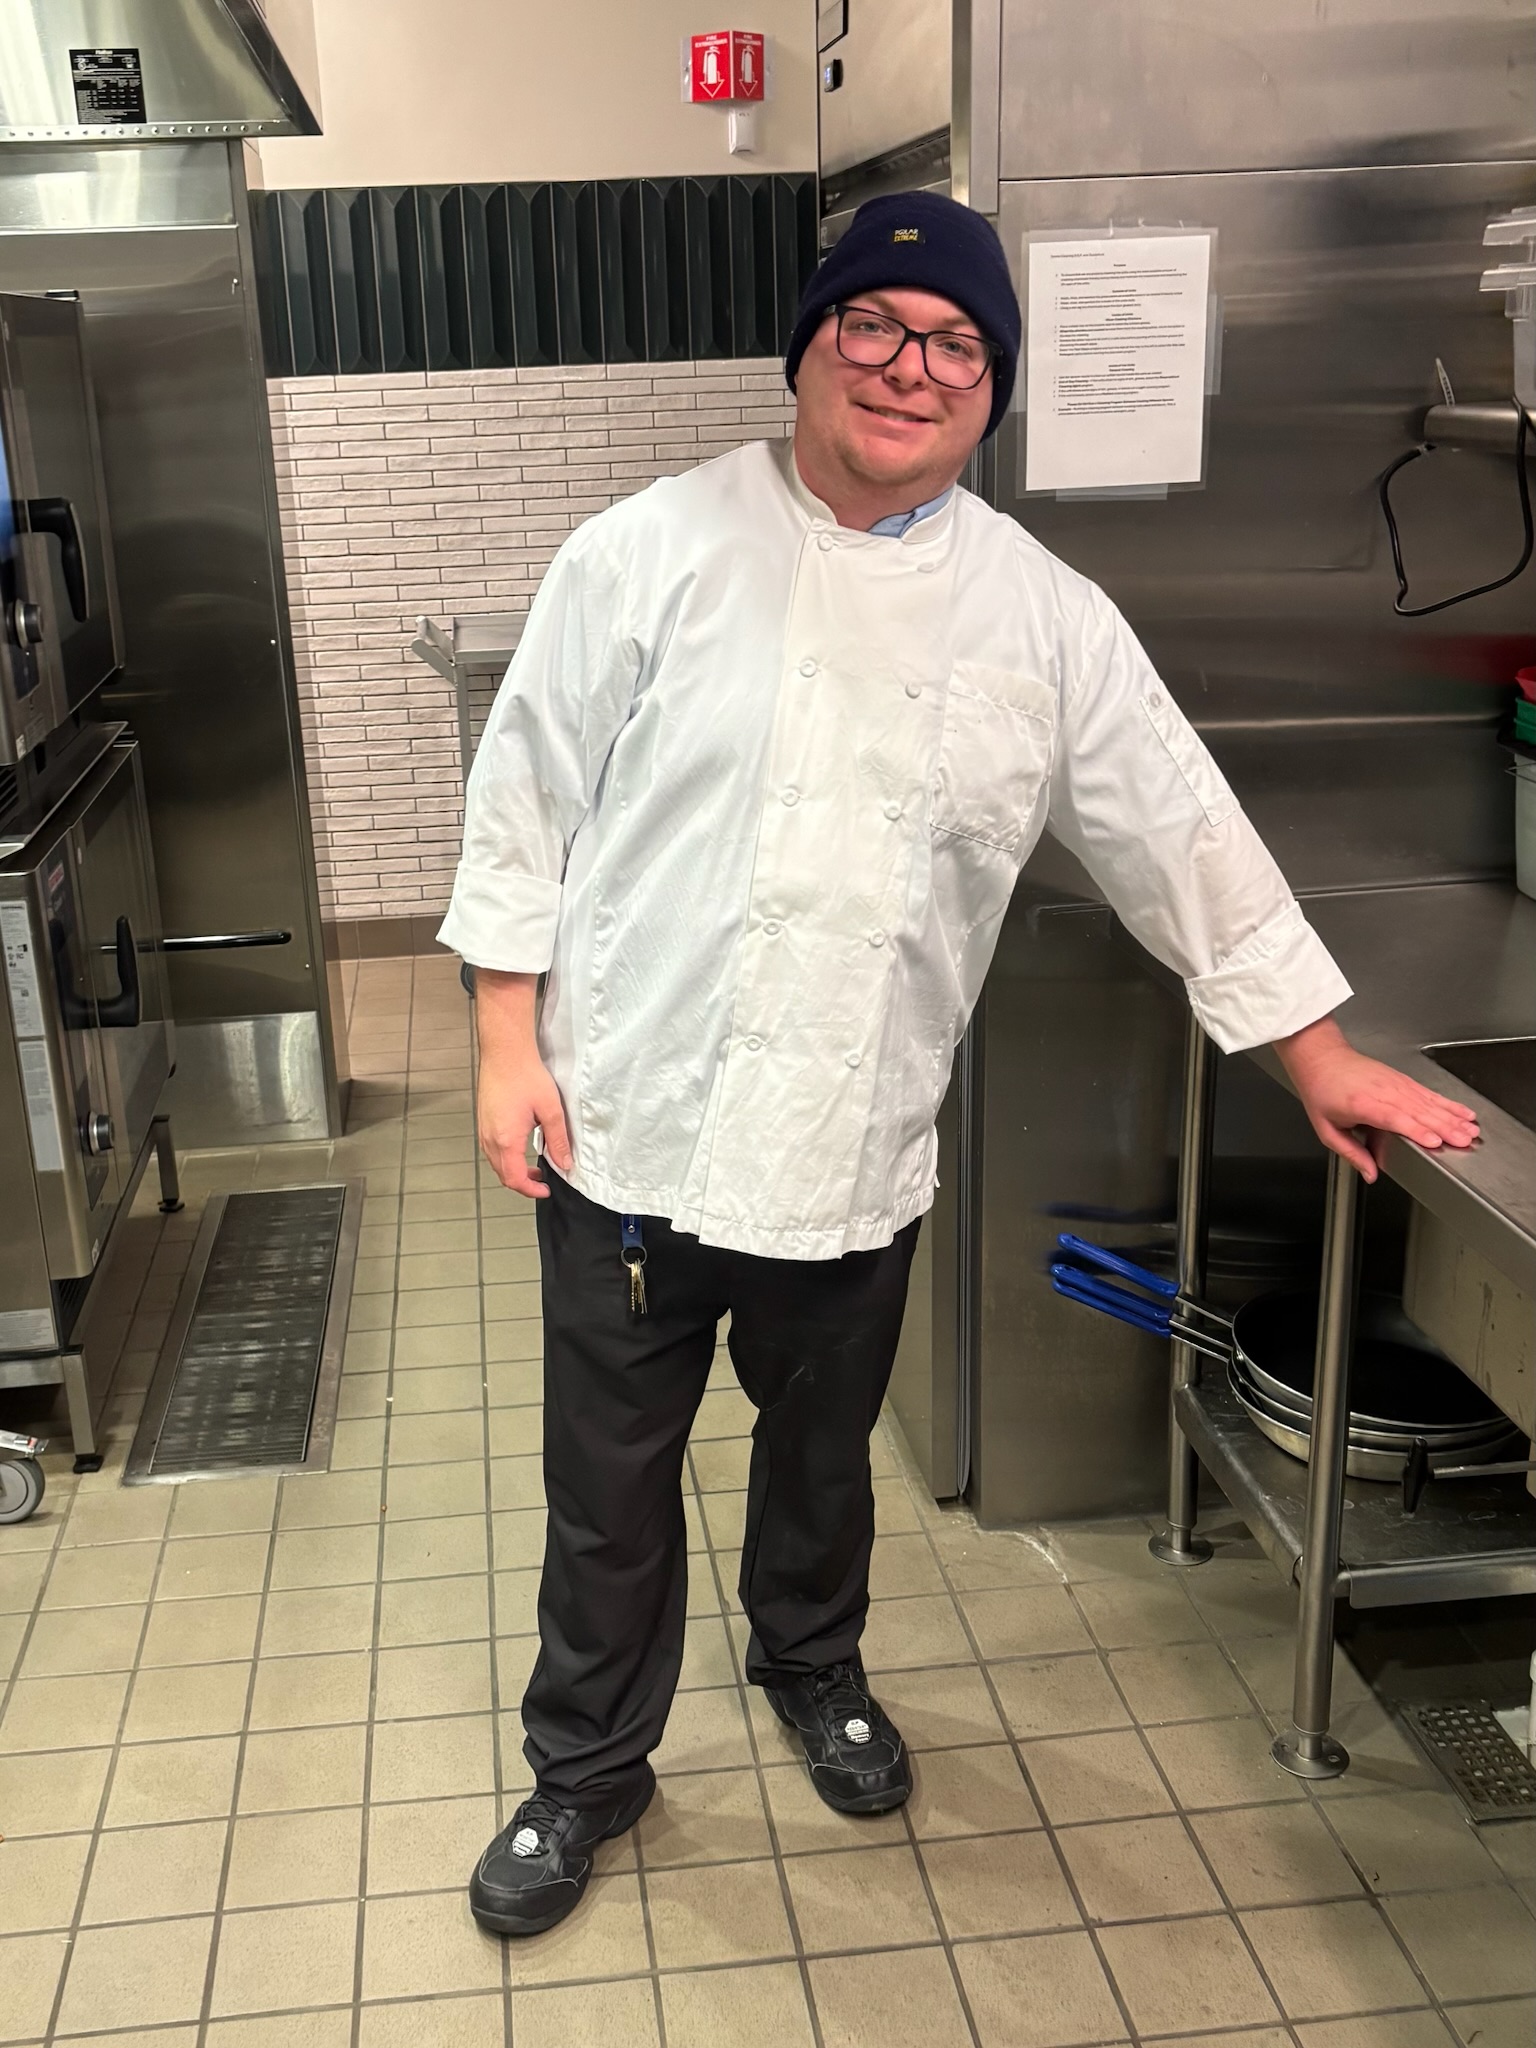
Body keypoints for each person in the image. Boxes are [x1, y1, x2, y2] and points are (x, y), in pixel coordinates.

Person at [438, 192, 1478, 1938]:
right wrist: (500, 1042)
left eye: (957, 345)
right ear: (811, 345)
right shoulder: (648, 552)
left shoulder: (1041, 612)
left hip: (854, 1138)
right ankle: (587, 1771)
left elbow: (1176, 829)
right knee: (608, 1490)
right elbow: (522, 801)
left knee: (823, 1457)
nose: (909, 368)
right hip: (623, 1123)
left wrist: (1313, 1049)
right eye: (875, 325)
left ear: (992, 390)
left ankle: (812, 1668)